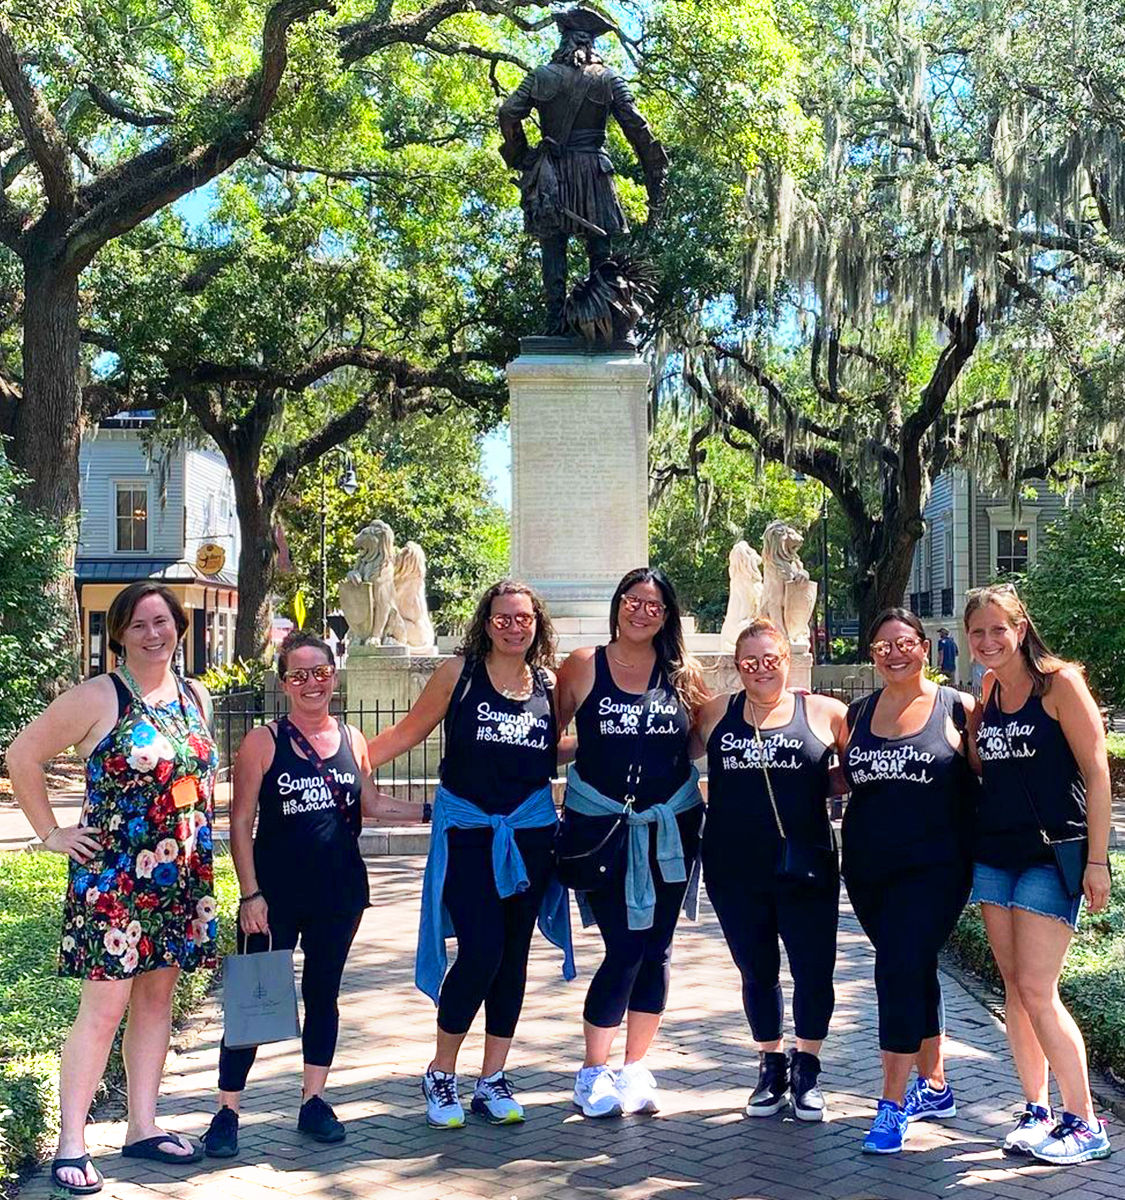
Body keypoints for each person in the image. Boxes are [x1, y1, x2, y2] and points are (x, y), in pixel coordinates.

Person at [7, 582, 218, 1195]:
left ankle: (142, 1127)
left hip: (180, 876)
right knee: (103, 1010)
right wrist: (50, 833)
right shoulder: (101, 696)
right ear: (119, 636)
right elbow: (23, 754)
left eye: (163, 621)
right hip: (116, 879)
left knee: (157, 1002)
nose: (154, 634)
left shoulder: (194, 696)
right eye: (138, 625)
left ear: (180, 626)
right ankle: (71, 1142)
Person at [368, 581, 573, 1129]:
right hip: (469, 835)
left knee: (513, 960)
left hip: (531, 836)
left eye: (523, 618)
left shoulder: (549, 685)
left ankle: (493, 1078)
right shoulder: (459, 676)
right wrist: (344, 760)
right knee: (480, 952)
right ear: (486, 622)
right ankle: (441, 1072)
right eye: (503, 618)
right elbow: (409, 731)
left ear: (537, 624)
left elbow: (553, 747)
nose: (513, 626)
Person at [201, 631, 380, 1158]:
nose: (311, 684)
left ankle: (313, 1101)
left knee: (324, 996)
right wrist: (249, 893)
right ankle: (227, 1111)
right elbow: (239, 822)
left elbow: (371, 802)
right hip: (273, 898)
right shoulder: (264, 741)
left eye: (320, 673)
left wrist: (440, 813)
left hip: (340, 894)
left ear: (334, 676)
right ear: (284, 683)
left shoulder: (353, 738)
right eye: (298, 675)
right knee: (255, 999)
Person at [964, 583, 1112, 1164]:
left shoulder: (1060, 684)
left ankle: (1085, 1121)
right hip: (994, 854)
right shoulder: (989, 689)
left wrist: (1097, 860)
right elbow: (986, 765)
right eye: (977, 632)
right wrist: (973, 730)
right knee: (1013, 988)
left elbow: (1098, 775)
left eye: (998, 629)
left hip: (1052, 855)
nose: (988, 640)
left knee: (1037, 988)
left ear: (1021, 628)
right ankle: (1037, 1110)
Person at [555, 567, 708, 1118]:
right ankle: (593, 1070)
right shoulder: (581, 666)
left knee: (657, 950)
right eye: (633, 601)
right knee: (624, 947)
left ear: (667, 616)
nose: (642, 611)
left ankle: (635, 1066)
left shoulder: (681, 672)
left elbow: (700, 737)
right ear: (617, 604)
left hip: (670, 828)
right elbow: (545, 736)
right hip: (604, 832)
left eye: (654, 605)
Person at [694, 619, 847, 1122]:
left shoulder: (825, 712)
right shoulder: (717, 713)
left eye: (771, 659)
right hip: (733, 865)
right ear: (737, 666)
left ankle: (808, 1067)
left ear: (787, 659)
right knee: (756, 970)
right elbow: (667, 754)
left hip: (805, 866)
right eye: (750, 661)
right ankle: (770, 1062)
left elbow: (866, 767)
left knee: (811, 969)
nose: (761, 669)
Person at [839, 608, 976, 1155]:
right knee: (913, 965)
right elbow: (843, 778)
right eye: (881, 647)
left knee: (895, 967)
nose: (893, 653)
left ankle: (891, 1106)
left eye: (903, 643)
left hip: (936, 869)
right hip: (869, 870)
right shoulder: (858, 712)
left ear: (924, 647)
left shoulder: (959, 708)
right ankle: (936, 1086)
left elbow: (994, 776)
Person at [497, 7, 668, 331]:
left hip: (552, 173)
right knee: (600, 247)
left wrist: (521, 155)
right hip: (593, 170)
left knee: (553, 246)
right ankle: (604, 318)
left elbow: (508, 112)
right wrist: (655, 168)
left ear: (564, 40)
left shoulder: (541, 75)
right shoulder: (609, 79)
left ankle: (555, 323)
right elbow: (636, 127)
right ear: (590, 44)